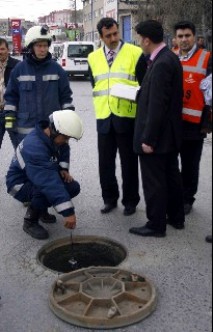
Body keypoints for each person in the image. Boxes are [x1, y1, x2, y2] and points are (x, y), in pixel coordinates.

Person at [130, 20, 185, 238]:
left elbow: (158, 105)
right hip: (169, 134)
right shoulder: (168, 57)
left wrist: (148, 139)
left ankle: (156, 224)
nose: (139, 44)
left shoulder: (162, 63)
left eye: (139, 40)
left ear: (146, 40)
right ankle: (176, 217)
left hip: (158, 137)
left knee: (155, 182)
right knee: (171, 176)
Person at [88, 17, 144, 216]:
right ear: (101, 37)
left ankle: (130, 201)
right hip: (104, 117)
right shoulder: (92, 58)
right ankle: (109, 199)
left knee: (129, 163)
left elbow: (144, 86)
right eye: (108, 35)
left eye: (115, 33)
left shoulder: (135, 53)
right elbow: (95, 85)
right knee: (105, 163)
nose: (113, 38)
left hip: (127, 117)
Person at [6, 110, 83, 240]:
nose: (66, 141)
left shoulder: (50, 137)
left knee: (72, 187)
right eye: (65, 138)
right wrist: (68, 213)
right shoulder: (35, 147)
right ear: (53, 130)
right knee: (44, 190)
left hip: (35, 177)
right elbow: (48, 183)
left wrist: (63, 169)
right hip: (19, 184)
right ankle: (30, 221)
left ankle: (41, 209)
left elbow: (63, 149)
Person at [4, 25, 74, 149]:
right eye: (39, 46)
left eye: (45, 46)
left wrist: (68, 119)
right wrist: (10, 121)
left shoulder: (57, 70)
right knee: (26, 165)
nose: (43, 49)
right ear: (31, 47)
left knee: (50, 164)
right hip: (25, 131)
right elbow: (11, 97)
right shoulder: (19, 70)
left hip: (51, 130)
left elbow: (65, 98)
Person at [174, 21, 212, 215]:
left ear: (195, 37)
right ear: (175, 38)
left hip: (194, 124)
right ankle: (176, 195)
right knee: (171, 162)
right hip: (172, 122)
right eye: (180, 36)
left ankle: (188, 198)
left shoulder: (207, 58)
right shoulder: (171, 56)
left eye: (187, 35)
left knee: (190, 165)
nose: (184, 40)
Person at [0, 37, 20, 149]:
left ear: (8, 50)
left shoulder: (17, 66)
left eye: (2, 49)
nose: (0, 52)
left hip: (10, 115)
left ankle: (22, 166)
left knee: (18, 145)